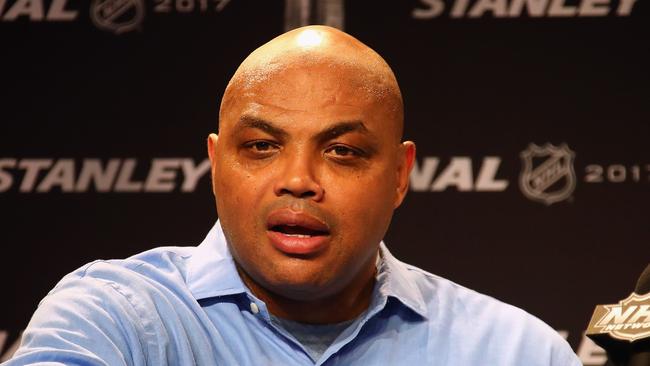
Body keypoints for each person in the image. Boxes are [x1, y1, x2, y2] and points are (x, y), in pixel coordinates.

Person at [5, 26, 581, 365]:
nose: (298, 179)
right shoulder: (115, 321)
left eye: (343, 151)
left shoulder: (513, 351)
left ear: (401, 174)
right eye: (260, 147)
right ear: (215, 164)